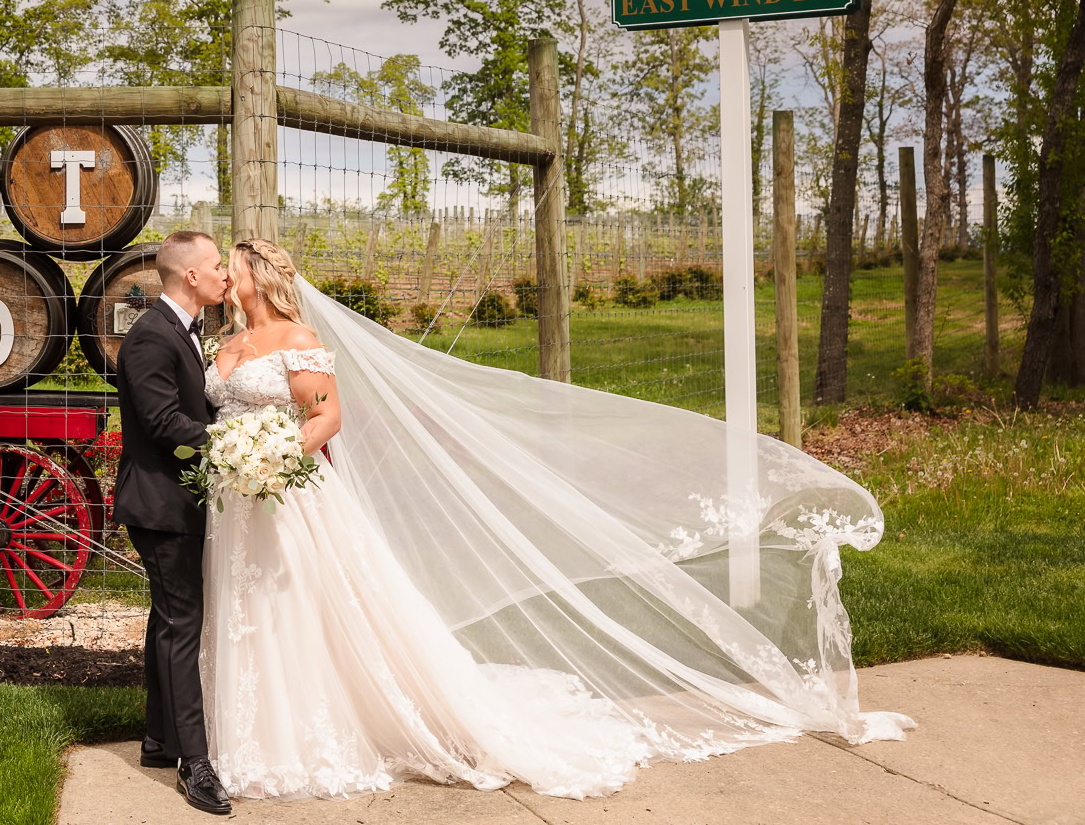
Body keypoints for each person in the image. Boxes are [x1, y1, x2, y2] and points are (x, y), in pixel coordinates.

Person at [197, 237, 914, 803]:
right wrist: (236, 457)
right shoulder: (221, 341)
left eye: (231, 269)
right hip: (236, 502)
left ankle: (311, 736)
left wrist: (272, 457)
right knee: (247, 609)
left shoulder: (295, 336)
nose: (224, 280)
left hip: (289, 494)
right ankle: (253, 742)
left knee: (301, 606)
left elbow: (328, 415)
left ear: (259, 275)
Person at [110, 230, 234, 815]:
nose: (224, 275)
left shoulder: (180, 330)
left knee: (167, 621)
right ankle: (196, 763)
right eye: (216, 266)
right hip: (160, 504)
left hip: (171, 499)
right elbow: (162, 422)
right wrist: (235, 440)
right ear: (190, 277)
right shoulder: (150, 337)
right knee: (184, 626)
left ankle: (160, 740)